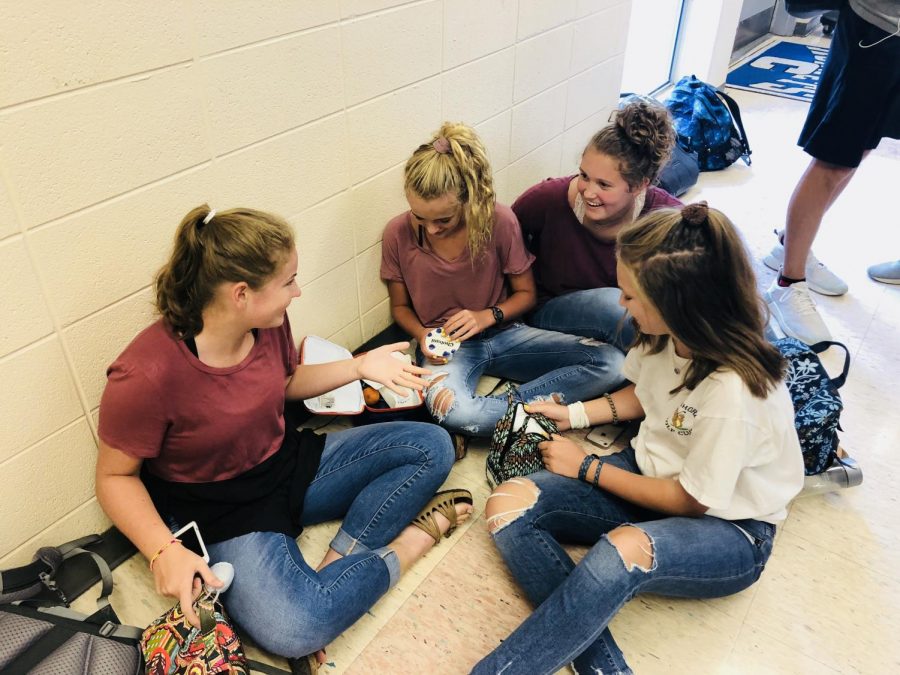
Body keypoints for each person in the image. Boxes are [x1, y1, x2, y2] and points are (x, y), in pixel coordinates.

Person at [95, 205, 473, 670]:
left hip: (288, 460)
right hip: (223, 511)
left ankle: (335, 566)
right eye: (288, 282)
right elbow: (114, 477)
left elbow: (284, 383)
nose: (297, 292)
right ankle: (412, 542)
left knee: (430, 445)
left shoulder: (266, 324)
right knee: (295, 628)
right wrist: (162, 551)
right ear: (240, 294)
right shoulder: (145, 374)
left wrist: (358, 366)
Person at [473, 203, 804, 675]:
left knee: (620, 552)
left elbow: (690, 500)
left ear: (675, 305)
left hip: (731, 529)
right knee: (508, 504)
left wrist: (587, 467)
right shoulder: (668, 336)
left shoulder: (734, 393)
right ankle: (595, 654)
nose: (620, 304)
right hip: (649, 475)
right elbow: (643, 394)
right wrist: (571, 414)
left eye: (629, 295)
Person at [381, 123, 625, 446]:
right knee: (456, 411)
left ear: (469, 202)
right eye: (419, 217)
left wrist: (487, 316)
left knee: (612, 364)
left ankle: (509, 412)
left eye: (443, 220)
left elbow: (526, 295)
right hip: (447, 348)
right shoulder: (397, 234)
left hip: (507, 332)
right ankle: (524, 415)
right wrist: (422, 334)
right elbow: (399, 307)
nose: (431, 229)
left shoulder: (499, 221)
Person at [764, 0, 900, 344]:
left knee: (862, 147)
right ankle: (787, 283)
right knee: (834, 158)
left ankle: (790, 244)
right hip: (877, 26)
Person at [511, 98, 682, 350]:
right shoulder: (545, 200)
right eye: (584, 176)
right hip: (552, 309)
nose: (588, 192)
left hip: (633, 315)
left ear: (638, 186)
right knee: (618, 308)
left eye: (604, 185)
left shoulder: (664, 216)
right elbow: (499, 244)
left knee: (620, 351)